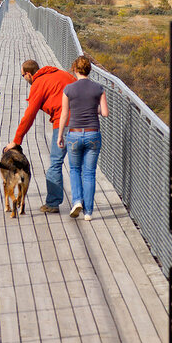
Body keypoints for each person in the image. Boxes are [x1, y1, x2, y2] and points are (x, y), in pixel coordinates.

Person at [5, 59, 76, 213]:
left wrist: (16, 141)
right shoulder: (62, 74)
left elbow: (29, 115)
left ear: (29, 74)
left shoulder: (39, 83)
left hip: (63, 124)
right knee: (79, 167)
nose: (24, 79)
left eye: (23, 75)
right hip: (84, 122)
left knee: (55, 164)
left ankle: (52, 203)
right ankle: (81, 202)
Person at [57, 55, 108, 221]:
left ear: (75, 69)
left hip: (74, 133)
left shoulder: (69, 89)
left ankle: (77, 201)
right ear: (89, 70)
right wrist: (95, 109)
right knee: (89, 173)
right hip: (93, 133)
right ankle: (88, 212)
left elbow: (64, 114)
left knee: (74, 169)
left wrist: (60, 136)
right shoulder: (99, 88)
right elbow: (105, 113)